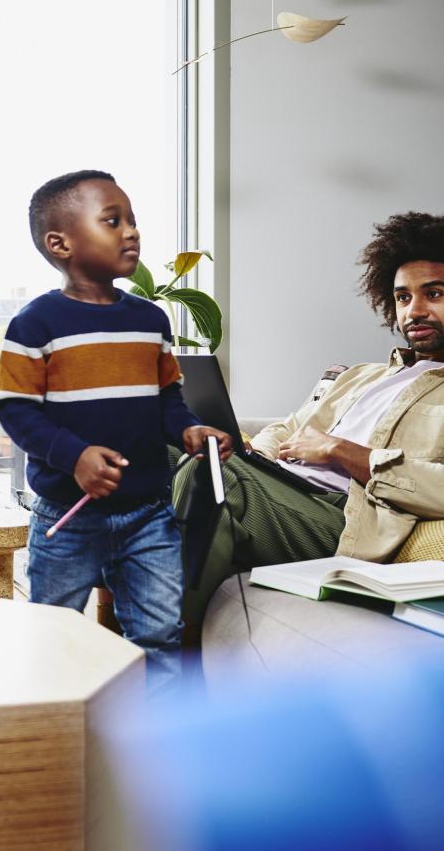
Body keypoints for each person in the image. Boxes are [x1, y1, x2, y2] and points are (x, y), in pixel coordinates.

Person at [0, 169, 232, 695]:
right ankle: (57, 738)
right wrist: (75, 457)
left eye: (132, 220)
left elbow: (167, 399)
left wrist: (189, 430)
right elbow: (15, 410)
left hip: (150, 514)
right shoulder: (34, 325)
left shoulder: (151, 321)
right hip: (67, 518)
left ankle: (157, 747)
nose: (132, 232)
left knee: (160, 635)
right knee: (54, 634)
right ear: (61, 244)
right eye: (112, 220)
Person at [181, 211, 444, 629]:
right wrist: (255, 451)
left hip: (340, 518)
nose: (414, 310)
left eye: (434, 294)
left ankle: (168, 657)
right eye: (402, 297)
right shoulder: (360, 376)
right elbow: (288, 428)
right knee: (179, 450)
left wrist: (340, 450)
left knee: (218, 477)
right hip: (284, 487)